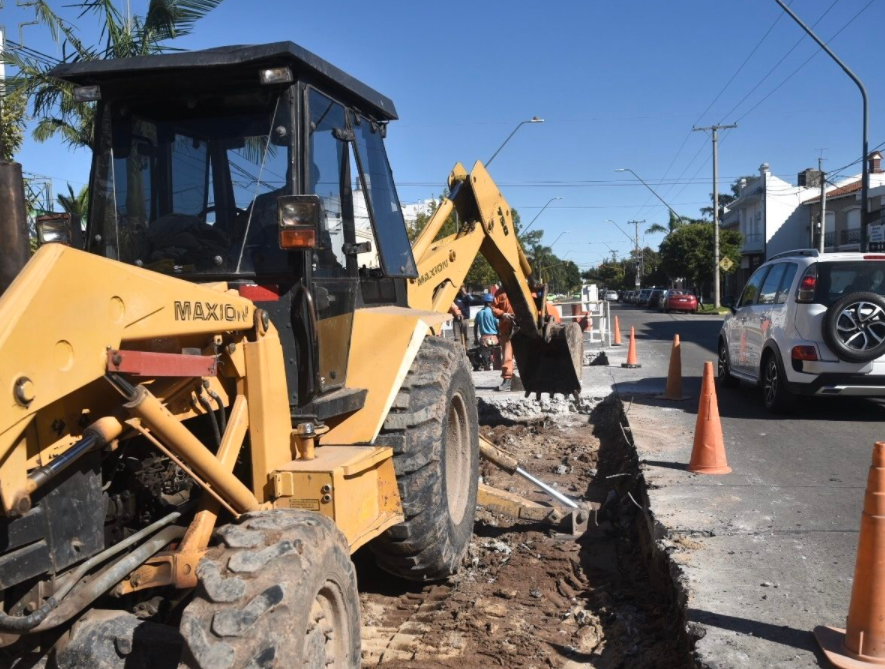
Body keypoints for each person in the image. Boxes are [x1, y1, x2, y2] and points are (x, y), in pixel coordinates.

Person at [492, 287, 516, 391]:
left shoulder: (527, 289)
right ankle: (507, 379)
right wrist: (503, 314)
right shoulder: (500, 293)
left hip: (525, 328)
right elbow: (493, 307)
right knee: (507, 355)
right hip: (507, 328)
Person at [473, 293, 499, 371]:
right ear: (491, 302)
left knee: (485, 355)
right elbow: (497, 324)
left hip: (484, 338)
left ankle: (486, 366)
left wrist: (476, 338)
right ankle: (497, 367)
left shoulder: (479, 313)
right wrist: (500, 335)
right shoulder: (493, 312)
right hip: (494, 337)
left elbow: (475, 326)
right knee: (496, 354)